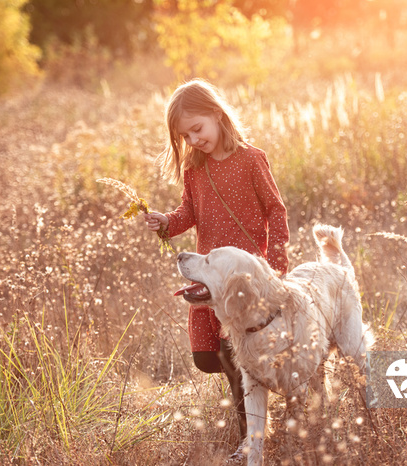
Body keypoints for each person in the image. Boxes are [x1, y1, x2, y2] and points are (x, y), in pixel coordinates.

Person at [143, 78, 289, 448]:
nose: (193, 140)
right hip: (210, 278)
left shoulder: (251, 159)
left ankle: (249, 439)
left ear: (217, 114)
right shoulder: (196, 168)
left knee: (238, 363)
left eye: (197, 129)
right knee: (207, 357)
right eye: (185, 136)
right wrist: (167, 223)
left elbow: (276, 210)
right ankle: (256, 415)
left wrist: (275, 262)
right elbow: (188, 211)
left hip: (243, 281)